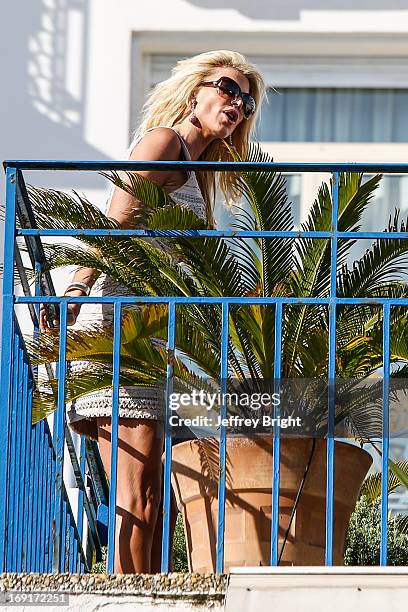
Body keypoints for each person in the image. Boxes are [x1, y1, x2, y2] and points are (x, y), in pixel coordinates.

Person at [40, 50, 266, 573]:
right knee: (138, 492)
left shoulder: (198, 168)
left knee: (150, 495)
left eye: (247, 101)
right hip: (122, 331)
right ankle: (133, 598)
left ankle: (147, 589)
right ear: (196, 91)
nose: (237, 104)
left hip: (154, 339)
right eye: (228, 89)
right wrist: (76, 288)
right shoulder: (166, 142)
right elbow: (113, 222)